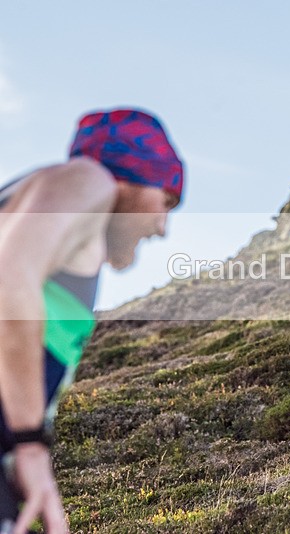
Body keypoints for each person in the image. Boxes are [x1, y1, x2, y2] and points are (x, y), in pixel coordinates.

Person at [0, 109, 184, 534]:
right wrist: (30, 445)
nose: (162, 227)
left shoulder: (34, 208)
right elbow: (8, 279)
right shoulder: (89, 179)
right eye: (166, 201)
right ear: (127, 179)